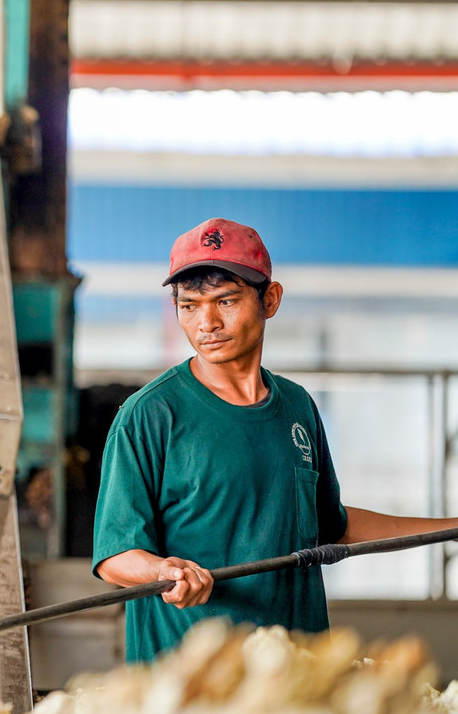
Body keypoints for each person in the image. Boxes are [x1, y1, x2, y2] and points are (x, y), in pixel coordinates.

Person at [92, 217, 454, 663]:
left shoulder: (297, 406)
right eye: (189, 306)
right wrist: (161, 569)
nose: (207, 323)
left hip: (295, 675)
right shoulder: (149, 415)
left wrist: (449, 529)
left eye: (226, 301)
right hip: (190, 681)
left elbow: (332, 526)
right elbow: (114, 556)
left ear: (270, 299)